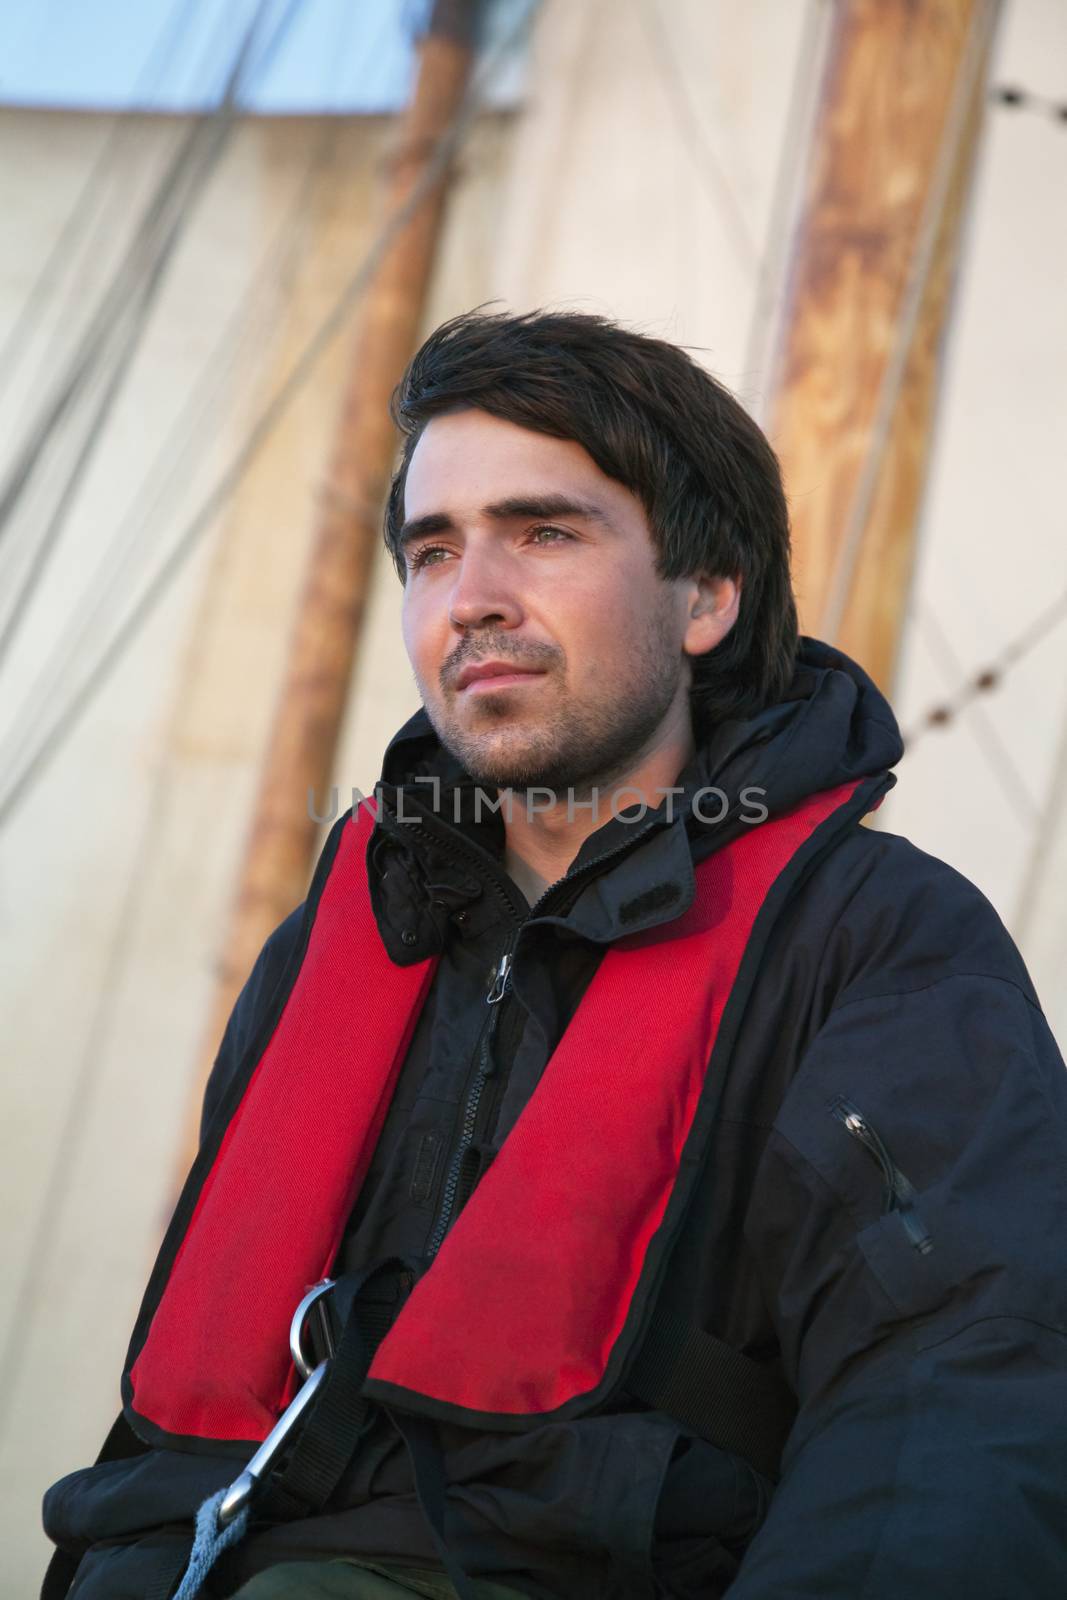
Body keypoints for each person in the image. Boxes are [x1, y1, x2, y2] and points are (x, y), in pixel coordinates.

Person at [42, 309, 1067, 1600]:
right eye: (432, 551)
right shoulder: (337, 941)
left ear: (705, 597)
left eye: (543, 532)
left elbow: (958, 1396)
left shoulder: (877, 943)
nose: (471, 597)